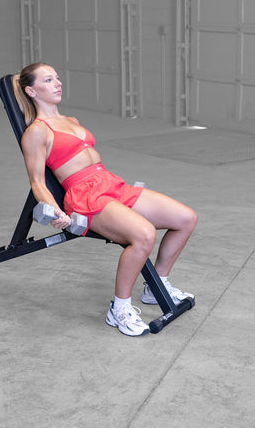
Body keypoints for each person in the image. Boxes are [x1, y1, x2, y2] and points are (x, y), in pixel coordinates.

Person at [13, 62, 198, 337]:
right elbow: (37, 182)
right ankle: (119, 309)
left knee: (186, 218)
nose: (58, 83)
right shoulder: (37, 131)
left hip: (110, 183)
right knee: (144, 235)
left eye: (57, 78)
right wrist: (55, 211)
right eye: (48, 80)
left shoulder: (72, 120)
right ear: (31, 90)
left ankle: (156, 285)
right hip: (85, 195)